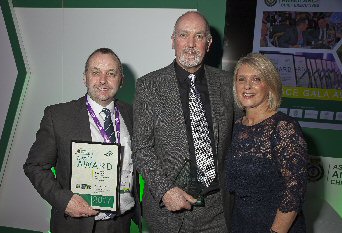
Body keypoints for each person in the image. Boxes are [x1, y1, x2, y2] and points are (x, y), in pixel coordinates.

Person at [132, 11, 239, 233]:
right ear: (173, 41)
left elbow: (238, 139)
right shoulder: (149, 86)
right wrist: (165, 190)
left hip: (217, 212)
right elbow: (141, 148)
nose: (191, 44)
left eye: (199, 36)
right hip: (167, 212)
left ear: (208, 44)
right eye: (183, 35)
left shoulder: (228, 83)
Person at [24, 48, 141, 233]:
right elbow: (35, 166)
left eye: (111, 73)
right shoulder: (58, 116)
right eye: (95, 72)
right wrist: (63, 199)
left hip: (122, 224)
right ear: (84, 77)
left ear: (121, 80)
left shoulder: (134, 116)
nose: (103, 80)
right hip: (76, 226)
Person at [227, 53, 308, 233]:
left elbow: (294, 191)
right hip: (240, 225)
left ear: (270, 85)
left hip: (277, 227)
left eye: (256, 79)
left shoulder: (284, 127)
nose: (247, 86)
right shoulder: (235, 128)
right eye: (241, 79)